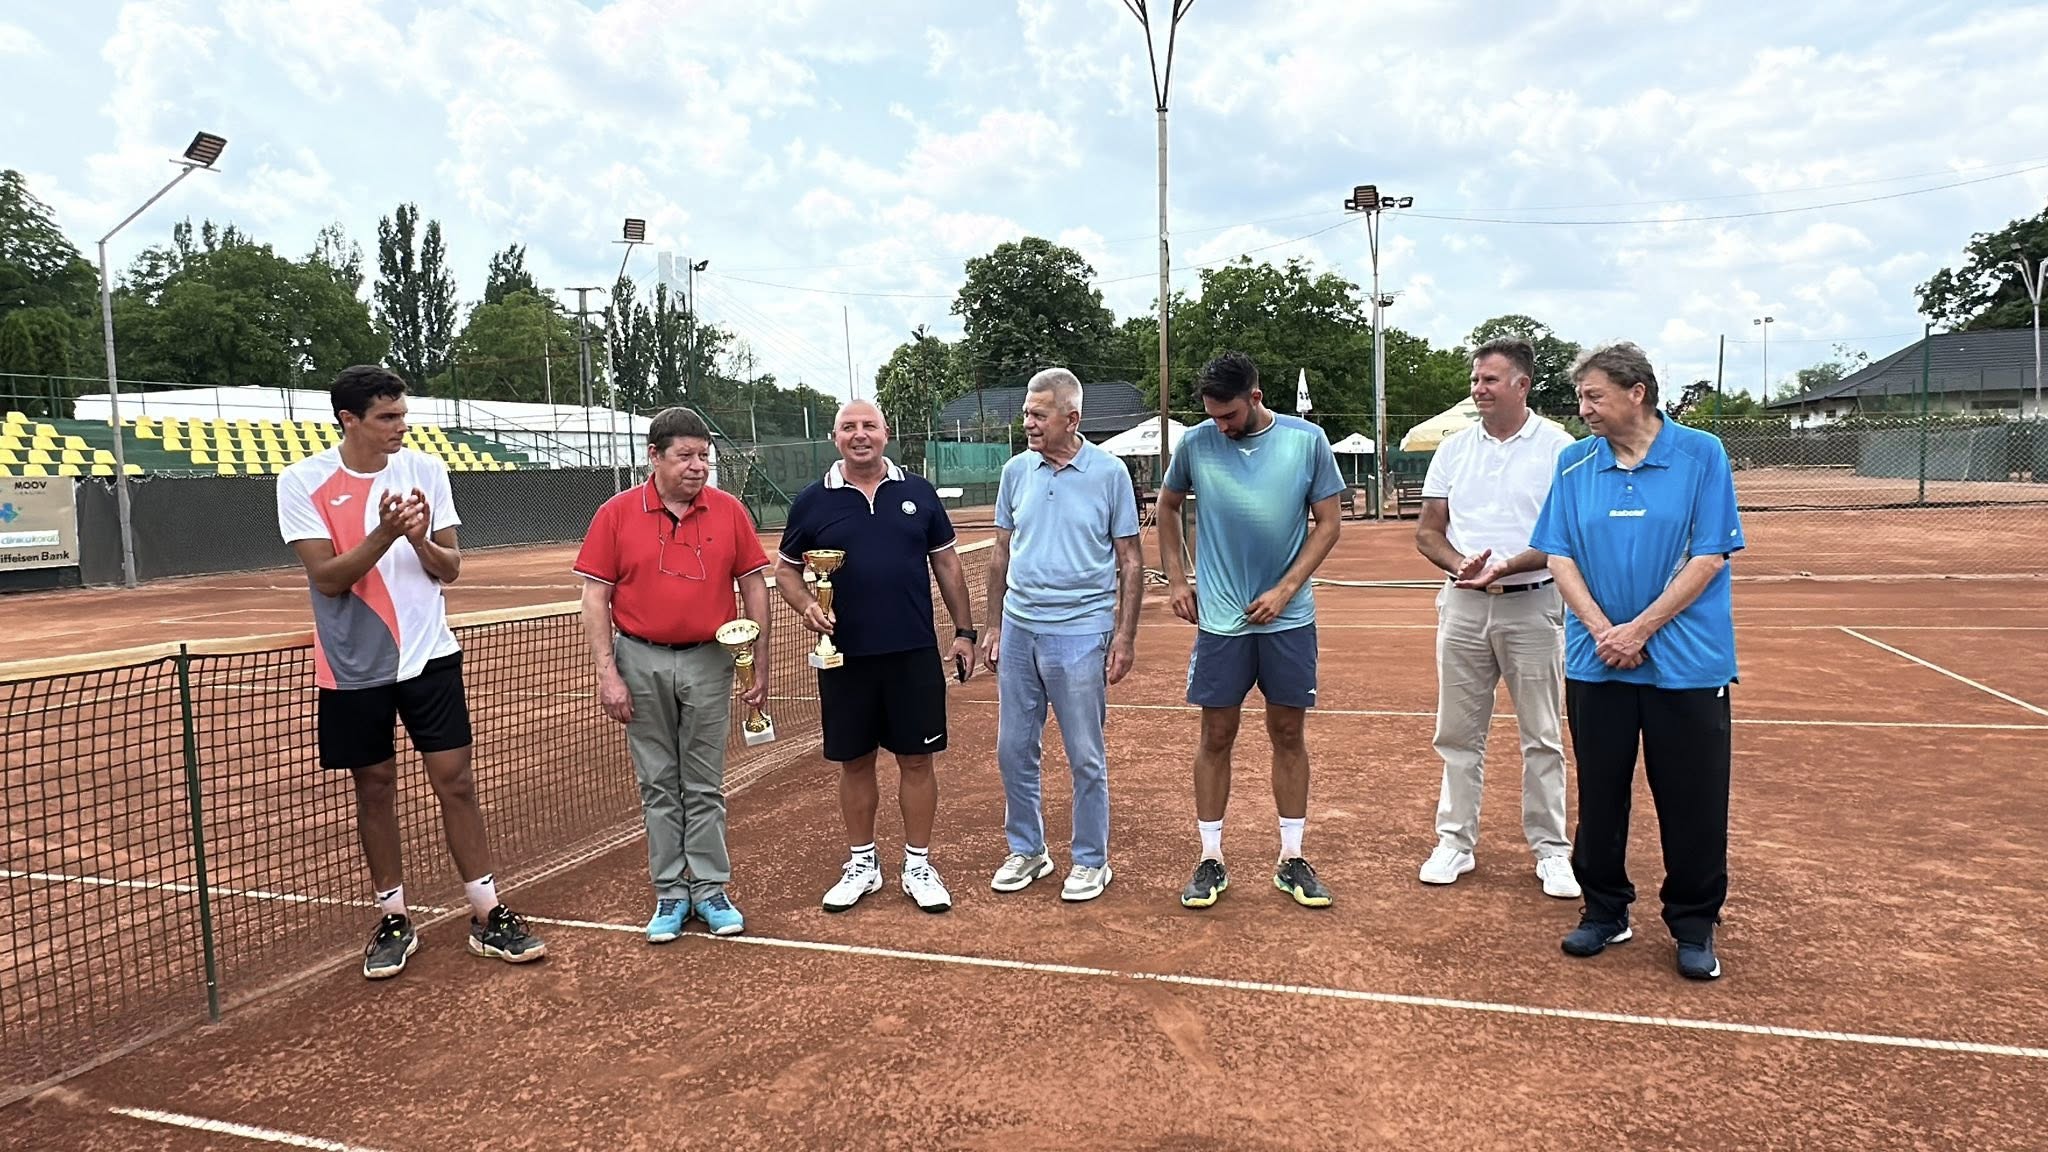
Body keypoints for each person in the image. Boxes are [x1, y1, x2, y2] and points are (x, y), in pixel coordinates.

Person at [275, 364, 544, 980]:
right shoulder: (302, 481)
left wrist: (419, 539)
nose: (401, 427)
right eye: (386, 417)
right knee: (373, 787)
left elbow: (449, 567)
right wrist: (385, 532)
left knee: (456, 782)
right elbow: (329, 578)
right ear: (350, 420)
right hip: (352, 666)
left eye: (402, 414)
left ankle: (487, 910)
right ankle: (393, 917)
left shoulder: (426, 470)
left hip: (429, 654)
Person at [1528, 341, 1744, 981]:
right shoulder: (1573, 464)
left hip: (1688, 660)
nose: (1583, 408)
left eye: (1594, 396)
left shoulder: (1701, 453)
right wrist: (1602, 630)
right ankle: (1604, 911)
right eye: (1580, 398)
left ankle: (1693, 921)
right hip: (1598, 661)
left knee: (1693, 797)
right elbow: (1558, 554)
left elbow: (1710, 554)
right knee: (1602, 793)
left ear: (1636, 393)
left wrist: (1641, 628)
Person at [1156, 351, 1345, 910]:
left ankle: (1292, 858)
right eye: (1213, 416)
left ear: (1256, 398)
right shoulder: (1195, 444)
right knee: (1216, 736)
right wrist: (1175, 580)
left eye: (1229, 415)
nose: (1221, 425)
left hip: (1289, 620)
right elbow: (1167, 507)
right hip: (1220, 622)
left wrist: (1286, 589)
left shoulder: (1306, 440)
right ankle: (1210, 859)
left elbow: (1328, 524)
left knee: (1288, 733)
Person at [574, 407, 772, 942]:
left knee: (704, 784)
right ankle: (669, 892)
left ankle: (709, 890)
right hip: (639, 659)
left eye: (704, 456)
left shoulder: (729, 511)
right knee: (658, 783)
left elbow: (754, 584)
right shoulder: (615, 513)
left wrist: (759, 657)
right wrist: (607, 672)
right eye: (685, 456)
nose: (697, 466)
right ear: (654, 456)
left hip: (712, 659)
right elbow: (596, 598)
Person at [773, 400, 979, 914]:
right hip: (845, 659)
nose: (859, 435)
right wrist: (805, 607)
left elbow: (948, 566)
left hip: (912, 653)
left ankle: (918, 864)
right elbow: (786, 571)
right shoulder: (811, 503)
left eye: (869, 426)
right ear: (834, 436)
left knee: (916, 759)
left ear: (887, 434)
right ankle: (862, 864)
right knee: (855, 762)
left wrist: (965, 631)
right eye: (849, 427)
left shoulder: (918, 493)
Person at [1413, 338, 1581, 899]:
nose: (1477, 389)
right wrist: (1464, 566)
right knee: (1457, 733)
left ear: (1521, 385)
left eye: (1489, 380)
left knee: (1543, 734)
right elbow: (1428, 530)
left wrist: (1508, 566)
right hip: (1463, 604)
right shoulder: (1454, 448)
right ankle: (1455, 842)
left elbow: (1565, 535)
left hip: (1535, 603)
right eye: (1476, 379)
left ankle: (1552, 851)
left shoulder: (1561, 448)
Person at [979, 368, 1144, 903]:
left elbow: (1131, 560)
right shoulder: (1015, 472)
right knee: (1012, 750)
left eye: (1038, 414)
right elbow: (1001, 554)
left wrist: (1124, 637)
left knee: (1085, 755)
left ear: (1071, 418)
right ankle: (1028, 850)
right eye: (1026, 413)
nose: (1027, 422)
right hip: (1021, 630)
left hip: (1081, 632)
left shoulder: (1110, 473)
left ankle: (1092, 860)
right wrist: (993, 624)